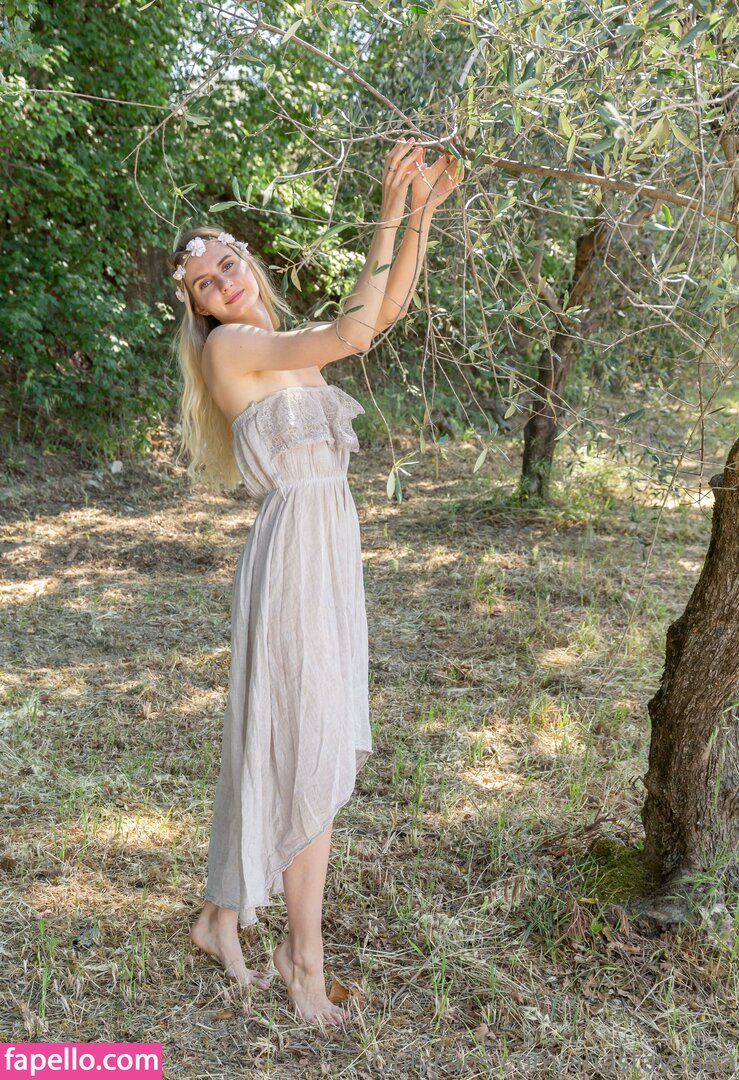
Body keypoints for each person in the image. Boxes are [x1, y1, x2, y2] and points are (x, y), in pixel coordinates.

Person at [170, 137, 463, 1029]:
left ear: (247, 262)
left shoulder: (276, 344)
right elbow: (353, 331)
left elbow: (385, 310)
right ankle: (303, 963)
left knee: (301, 736)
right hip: (295, 551)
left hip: (326, 546)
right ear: (197, 306)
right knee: (306, 749)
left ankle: (219, 916)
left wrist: (421, 215)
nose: (223, 283)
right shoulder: (233, 348)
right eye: (205, 283)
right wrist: (386, 205)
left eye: (228, 265)